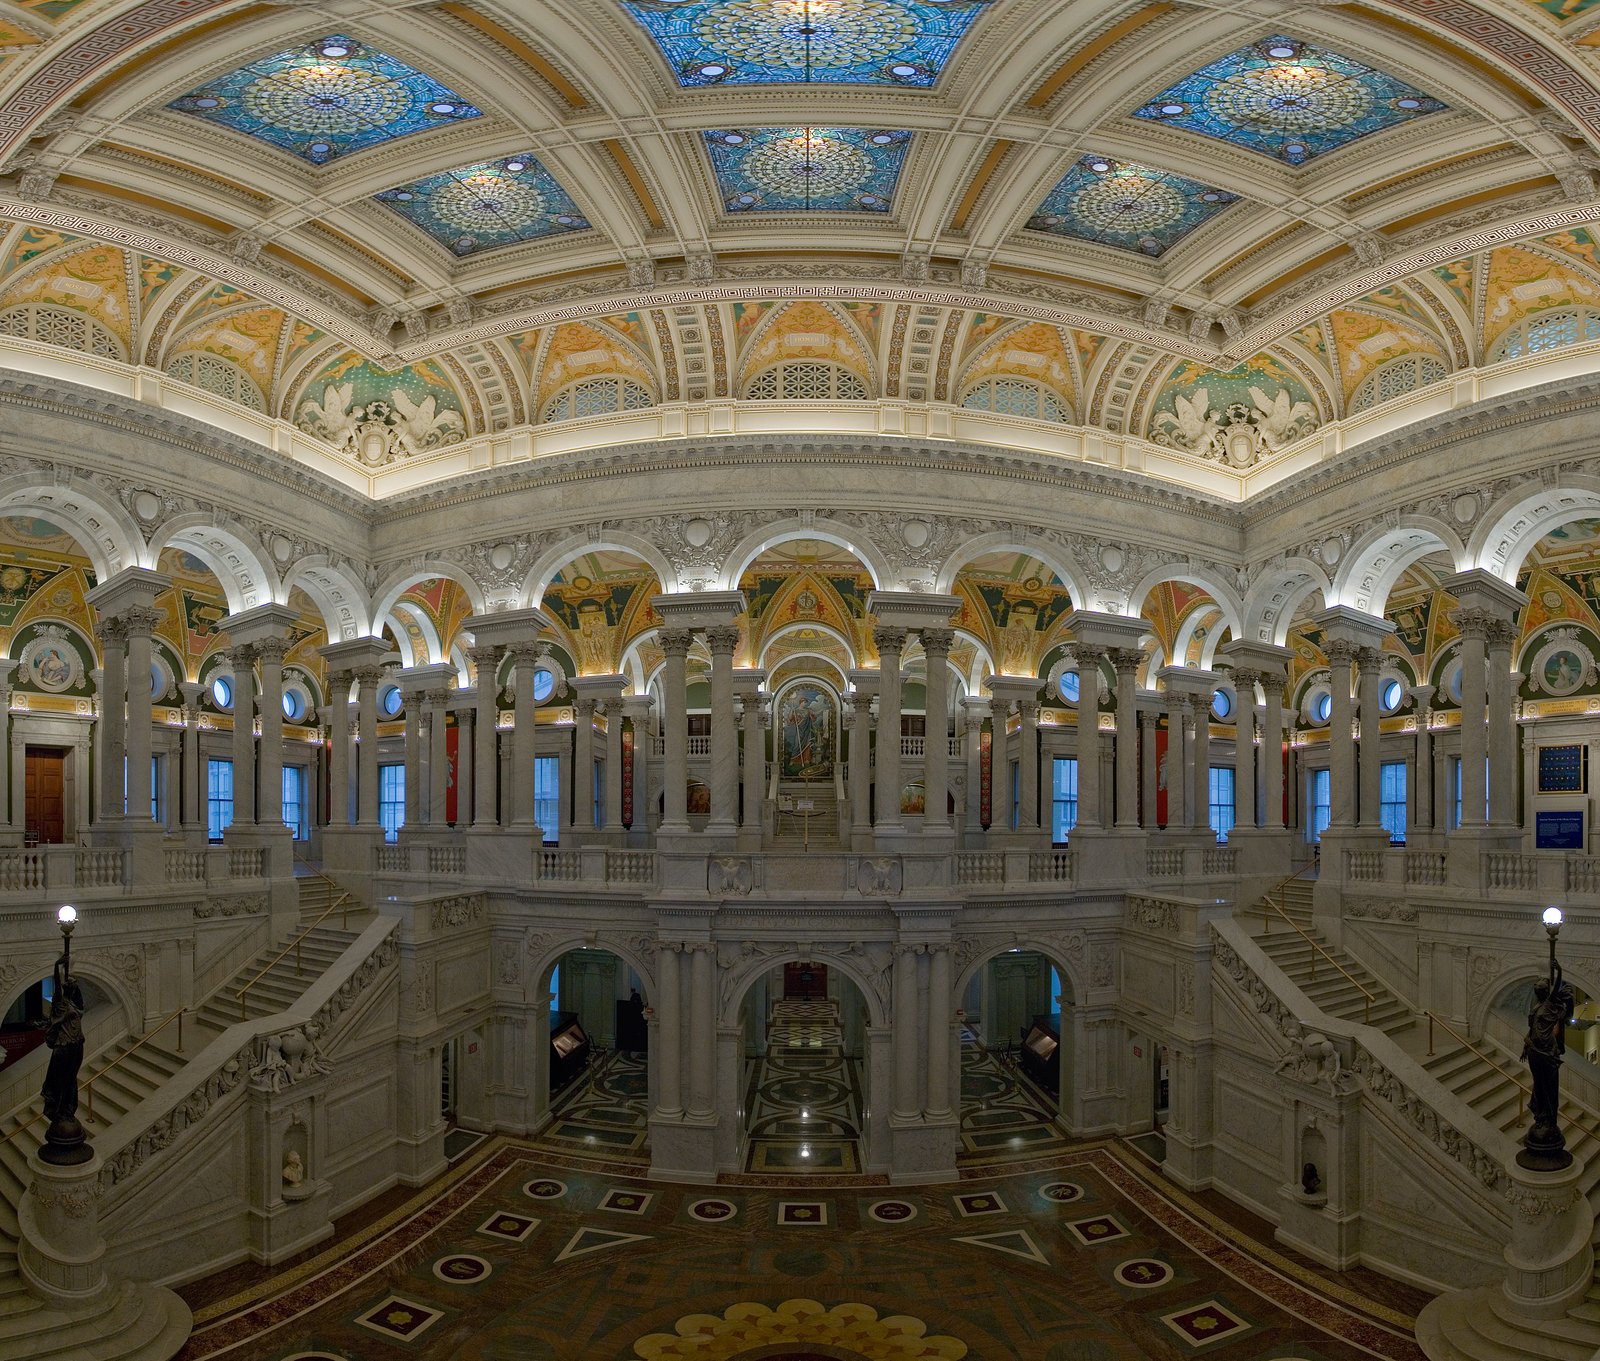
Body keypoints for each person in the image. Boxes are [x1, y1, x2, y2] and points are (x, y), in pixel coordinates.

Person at [1524, 961, 1575, 1138]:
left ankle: (1549, 1120)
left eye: (1541, 988)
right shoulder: (1537, 1006)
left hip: (1547, 1053)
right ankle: (1540, 1116)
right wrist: (1526, 1043)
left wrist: (1559, 970)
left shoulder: (1549, 1003)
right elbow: (1533, 1027)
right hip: (1534, 1050)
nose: (1537, 989)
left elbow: (1558, 985)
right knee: (1539, 1086)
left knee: (1548, 1087)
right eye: (1536, 987)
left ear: (1546, 992)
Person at [40, 954, 85, 1124]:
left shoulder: (75, 1004)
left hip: (77, 1043)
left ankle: (68, 1108)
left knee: (71, 1079)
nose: (74, 985)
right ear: (66, 987)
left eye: (75, 984)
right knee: (60, 1079)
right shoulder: (60, 1002)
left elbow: (81, 1005)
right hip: (63, 1046)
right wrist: (58, 965)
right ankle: (57, 1108)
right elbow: (57, 982)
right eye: (71, 984)